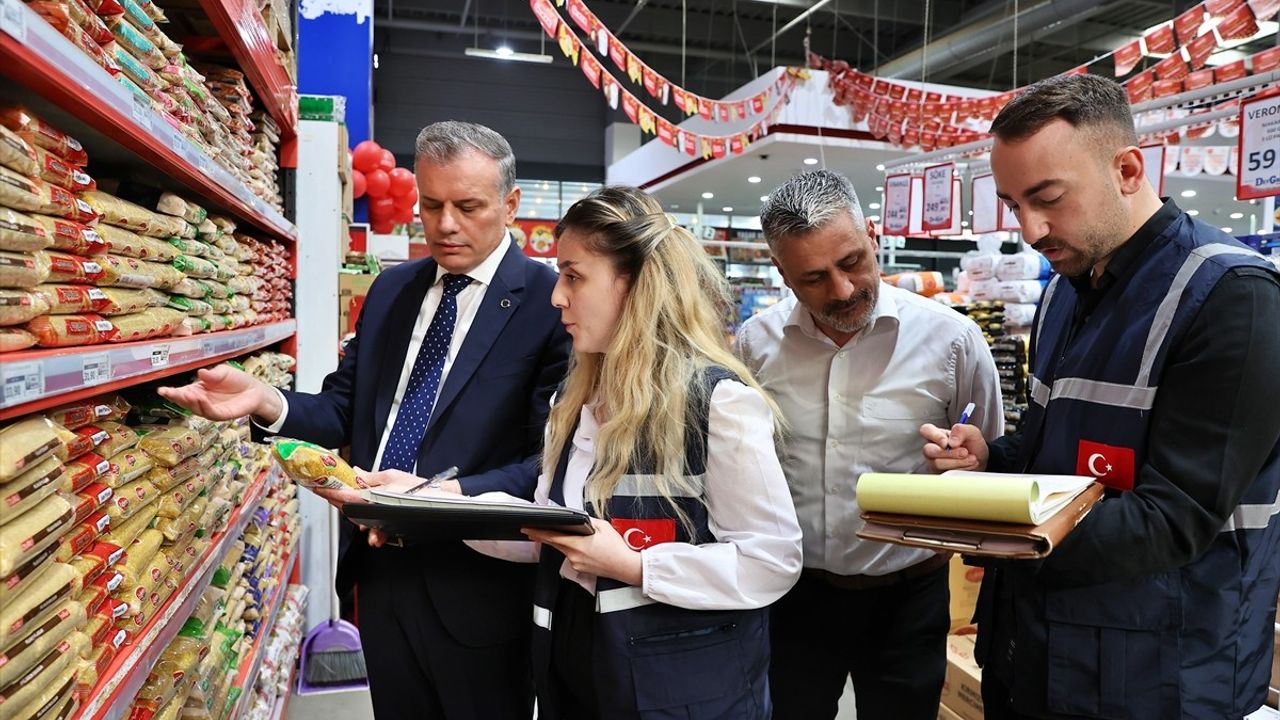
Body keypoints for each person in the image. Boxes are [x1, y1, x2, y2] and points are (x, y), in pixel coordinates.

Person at [159, 121, 572, 720]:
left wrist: (436, 499)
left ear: (510, 204)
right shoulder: (393, 291)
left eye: (468, 206)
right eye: (431, 206)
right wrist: (266, 401)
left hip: (476, 586)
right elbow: (343, 409)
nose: (447, 225)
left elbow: (548, 465)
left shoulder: (548, 303)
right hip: (379, 575)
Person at [921, 74, 1280, 719]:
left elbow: (1177, 516)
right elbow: (1058, 450)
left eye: (1048, 197)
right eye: (1012, 204)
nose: (1030, 228)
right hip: (1038, 654)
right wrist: (993, 460)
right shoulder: (1069, 286)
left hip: (1161, 679)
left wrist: (990, 525)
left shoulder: (1234, 299)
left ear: (1127, 168)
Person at [477, 186, 803, 719]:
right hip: (576, 673)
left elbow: (772, 561)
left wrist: (635, 565)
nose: (557, 296)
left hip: (683, 694)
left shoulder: (719, 403)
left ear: (633, 285)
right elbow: (547, 532)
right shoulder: (574, 398)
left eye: (573, 276)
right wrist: (423, 508)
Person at [738, 169, 1003, 720]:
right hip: (793, 595)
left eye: (853, 261)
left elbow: (992, 461)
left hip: (910, 597)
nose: (841, 289)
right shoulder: (754, 346)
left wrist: (973, 460)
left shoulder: (952, 339)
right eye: (813, 277)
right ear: (782, 274)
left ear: (874, 237)